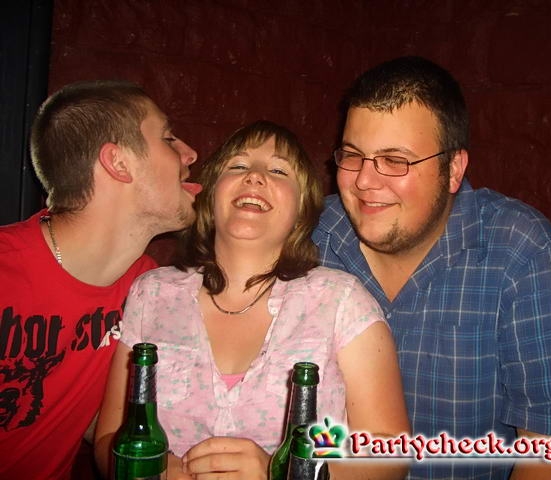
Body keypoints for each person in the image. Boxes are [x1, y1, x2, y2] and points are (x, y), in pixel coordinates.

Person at [312, 56, 551, 479]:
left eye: (395, 160)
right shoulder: (312, 237)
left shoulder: (522, 252)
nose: (365, 181)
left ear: (453, 170)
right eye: (353, 156)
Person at [94, 120, 410, 479]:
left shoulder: (341, 301)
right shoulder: (152, 293)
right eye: (239, 165)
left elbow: (392, 456)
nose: (255, 176)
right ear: (210, 196)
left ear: (302, 209)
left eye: (278, 170)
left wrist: (282, 472)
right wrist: (153, 469)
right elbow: (107, 440)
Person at [0, 80, 200, 479]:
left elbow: (101, 426)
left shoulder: (146, 287)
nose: (190, 153)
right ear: (118, 163)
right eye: (168, 138)